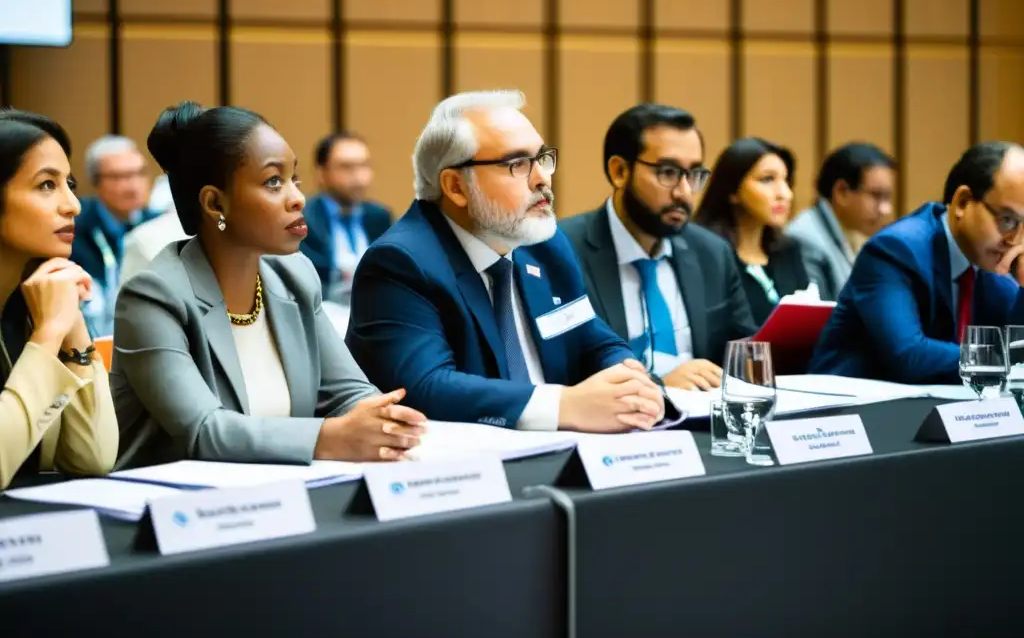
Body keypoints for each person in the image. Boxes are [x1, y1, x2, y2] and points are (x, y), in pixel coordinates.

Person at [112, 102, 426, 468]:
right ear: (215, 203)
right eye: (273, 181)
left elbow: (348, 392)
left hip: (277, 493)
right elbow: (203, 431)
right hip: (169, 510)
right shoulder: (154, 297)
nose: (297, 198)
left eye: (295, 178)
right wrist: (328, 438)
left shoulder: (294, 276)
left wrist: (381, 421)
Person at [346, 90, 669, 432]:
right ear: (456, 186)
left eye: (542, 157)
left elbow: (593, 340)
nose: (542, 178)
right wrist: (563, 406)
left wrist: (630, 379)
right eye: (517, 164)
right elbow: (425, 387)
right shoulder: (401, 263)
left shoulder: (545, 245)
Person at [561, 104, 756, 391]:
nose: (684, 192)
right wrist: (657, 385)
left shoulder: (712, 253)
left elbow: (746, 353)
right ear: (619, 172)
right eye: (667, 172)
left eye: (694, 175)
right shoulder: (563, 250)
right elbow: (563, 367)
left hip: (702, 425)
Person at [810, 142, 1024, 384]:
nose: (1016, 240)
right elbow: (909, 355)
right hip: (844, 413)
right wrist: (999, 357)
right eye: (1008, 219)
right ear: (963, 202)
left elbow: (1016, 348)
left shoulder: (990, 262)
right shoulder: (896, 249)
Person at [0, 110, 117, 489]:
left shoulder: (35, 299)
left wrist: (71, 322)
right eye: (47, 185)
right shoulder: (41, 320)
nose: (73, 205)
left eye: (69, 183)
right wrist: (49, 333)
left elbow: (93, 457)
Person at [694, 138, 828, 326]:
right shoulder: (707, 254)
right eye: (767, 179)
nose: (785, 194)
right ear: (733, 190)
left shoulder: (789, 249)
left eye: (786, 181)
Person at [71, 135, 158, 336]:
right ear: (95, 182)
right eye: (119, 176)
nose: (133, 185)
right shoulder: (74, 227)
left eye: (139, 173)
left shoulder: (158, 226)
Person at [787, 142, 896, 299]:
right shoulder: (805, 239)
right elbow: (819, 318)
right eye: (876, 195)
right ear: (841, 192)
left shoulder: (854, 233)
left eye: (887, 197)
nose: (885, 209)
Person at [300, 131, 392, 303]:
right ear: (321, 174)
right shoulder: (304, 220)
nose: (358, 177)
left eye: (364, 166)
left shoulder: (379, 217)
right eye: (346, 167)